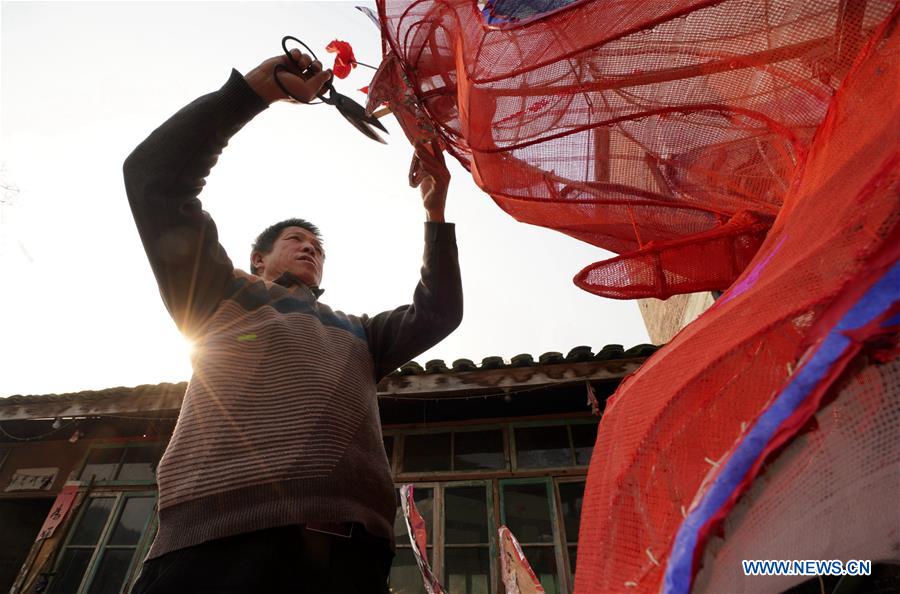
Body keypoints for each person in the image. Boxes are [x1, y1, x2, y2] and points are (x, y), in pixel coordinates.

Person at [123, 50, 462, 593]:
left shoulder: (360, 334)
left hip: (350, 559)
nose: (309, 249)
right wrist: (248, 95)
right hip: (217, 549)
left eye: (317, 247)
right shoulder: (216, 293)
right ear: (258, 258)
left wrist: (435, 213)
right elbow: (153, 179)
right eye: (295, 240)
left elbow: (438, 311)